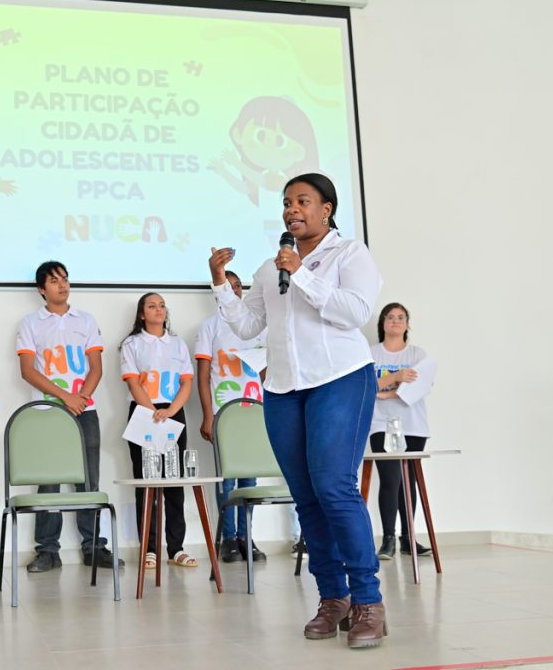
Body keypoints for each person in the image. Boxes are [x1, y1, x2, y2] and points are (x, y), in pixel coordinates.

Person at [207, 172, 387, 648]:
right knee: (306, 497)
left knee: (335, 488)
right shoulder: (271, 269)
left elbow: (355, 313)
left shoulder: (350, 254)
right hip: (285, 388)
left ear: (326, 209)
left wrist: (302, 273)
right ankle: (333, 598)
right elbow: (248, 326)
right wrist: (222, 284)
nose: (292, 209)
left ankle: (368, 601)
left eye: (303, 201)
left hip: (340, 379)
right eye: (287, 202)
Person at [16, 261, 121, 572]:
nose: (62, 285)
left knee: (88, 480)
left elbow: (96, 368)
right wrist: (66, 397)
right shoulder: (30, 323)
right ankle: (47, 550)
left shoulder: (85, 320)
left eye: (64, 279)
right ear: (41, 289)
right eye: (54, 280)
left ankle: (94, 547)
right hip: (47, 412)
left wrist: (81, 399)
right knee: (49, 481)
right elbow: (27, 371)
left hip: (85, 410)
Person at [194, 271, 269, 563]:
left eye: (238, 286)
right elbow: (203, 376)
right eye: (228, 286)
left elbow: (266, 371)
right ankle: (228, 539)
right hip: (224, 412)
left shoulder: (257, 326)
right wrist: (207, 415)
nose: (234, 290)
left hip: (254, 410)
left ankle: (246, 536)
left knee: (249, 478)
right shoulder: (209, 326)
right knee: (226, 480)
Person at [121, 293, 196, 569]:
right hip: (144, 413)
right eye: (152, 306)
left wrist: (171, 410)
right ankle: (149, 549)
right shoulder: (132, 344)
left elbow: (186, 382)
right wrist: (153, 411)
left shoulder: (177, 343)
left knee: (174, 481)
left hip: (174, 413)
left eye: (162, 305)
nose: (158, 309)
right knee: (146, 482)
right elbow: (133, 383)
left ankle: (176, 548)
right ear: (142, 314)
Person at [370, 303, 435, 560]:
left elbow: (420, 387)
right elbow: (364, 385)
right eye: (390, 317)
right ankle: (388, 539)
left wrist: (386, 394)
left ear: (407, 324)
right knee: (390, 480)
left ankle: (408, 538)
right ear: (383, 323)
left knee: (409, 482)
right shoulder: (370, 354)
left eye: (401, 317)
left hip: (413, 425)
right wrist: (396, 377)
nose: (395, 321)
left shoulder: (418, 354)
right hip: (380, 424)